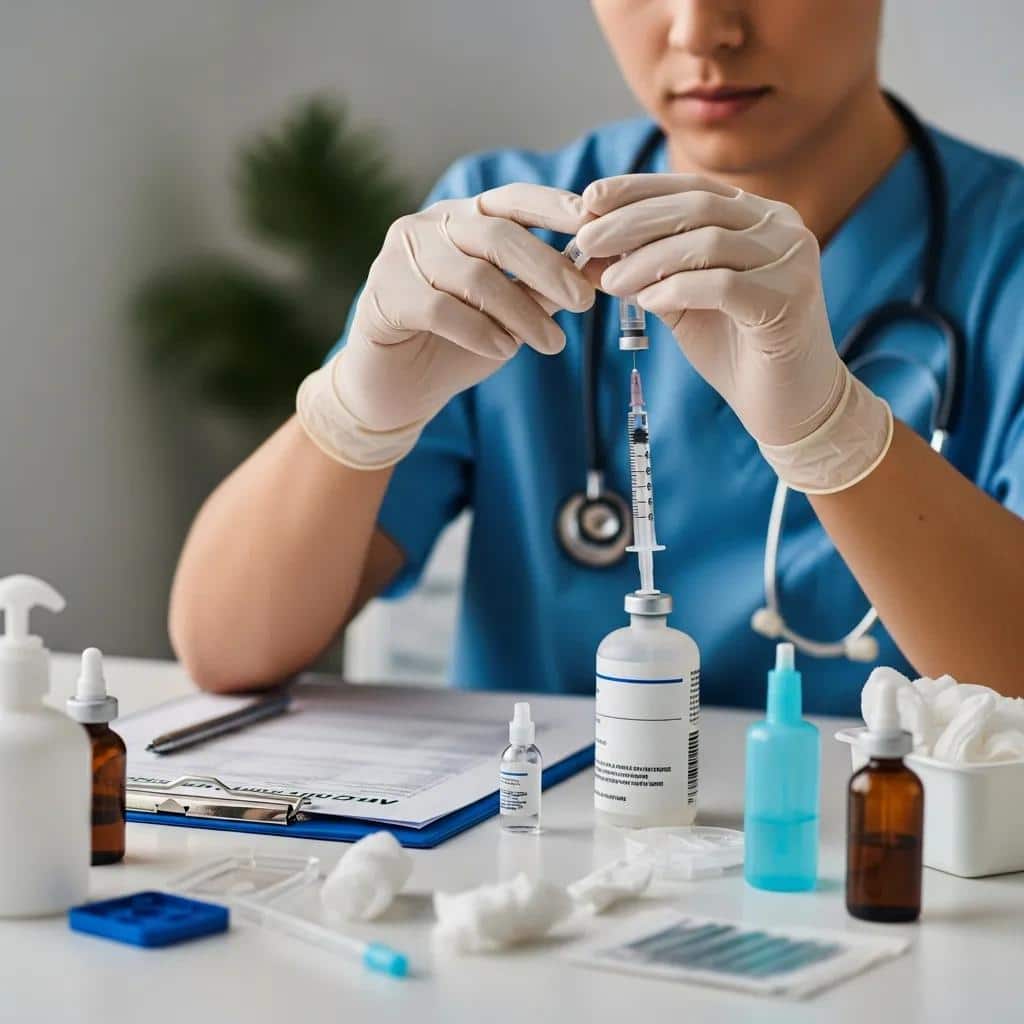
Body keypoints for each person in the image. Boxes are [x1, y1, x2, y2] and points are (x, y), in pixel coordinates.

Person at [169, 1, 1024, 710]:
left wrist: (834, 434)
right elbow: (224, 649)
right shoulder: (500, 239)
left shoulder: (1006, 259)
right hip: (541, 867)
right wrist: (353, 414)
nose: (698, 29)